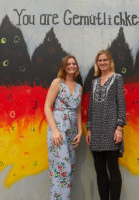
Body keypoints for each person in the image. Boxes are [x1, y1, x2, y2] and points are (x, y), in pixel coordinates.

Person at [86, 50, 126, 200]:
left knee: (113, 170)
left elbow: (121, 104)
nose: (102, 63)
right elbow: (90, 106)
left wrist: (119, 128)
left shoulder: (117, 78)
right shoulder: (94, 82)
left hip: (111, 131)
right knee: (100, 171)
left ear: (110, 62)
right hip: (95, 132)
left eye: (105, 60)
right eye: (99, 60)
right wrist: (89, 129)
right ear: (97, 63)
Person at [44, 55, 82, 200]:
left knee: (70, 169)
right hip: (58, 130)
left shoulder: (79, 87)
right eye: (69, 64)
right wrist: (54, 130)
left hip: (72, 132)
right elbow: (47, 107)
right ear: (64, 66)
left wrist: (79, 131)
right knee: (61, 170)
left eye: (74, 63)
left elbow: (78, 111)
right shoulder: (58, 82)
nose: (72, 66)